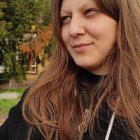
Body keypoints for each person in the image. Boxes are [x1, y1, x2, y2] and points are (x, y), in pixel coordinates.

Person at [0, 0, 140, 139]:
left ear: (122, 18)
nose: (73, 30)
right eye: (66, 18)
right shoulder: (39, 98)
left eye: (90, 12)